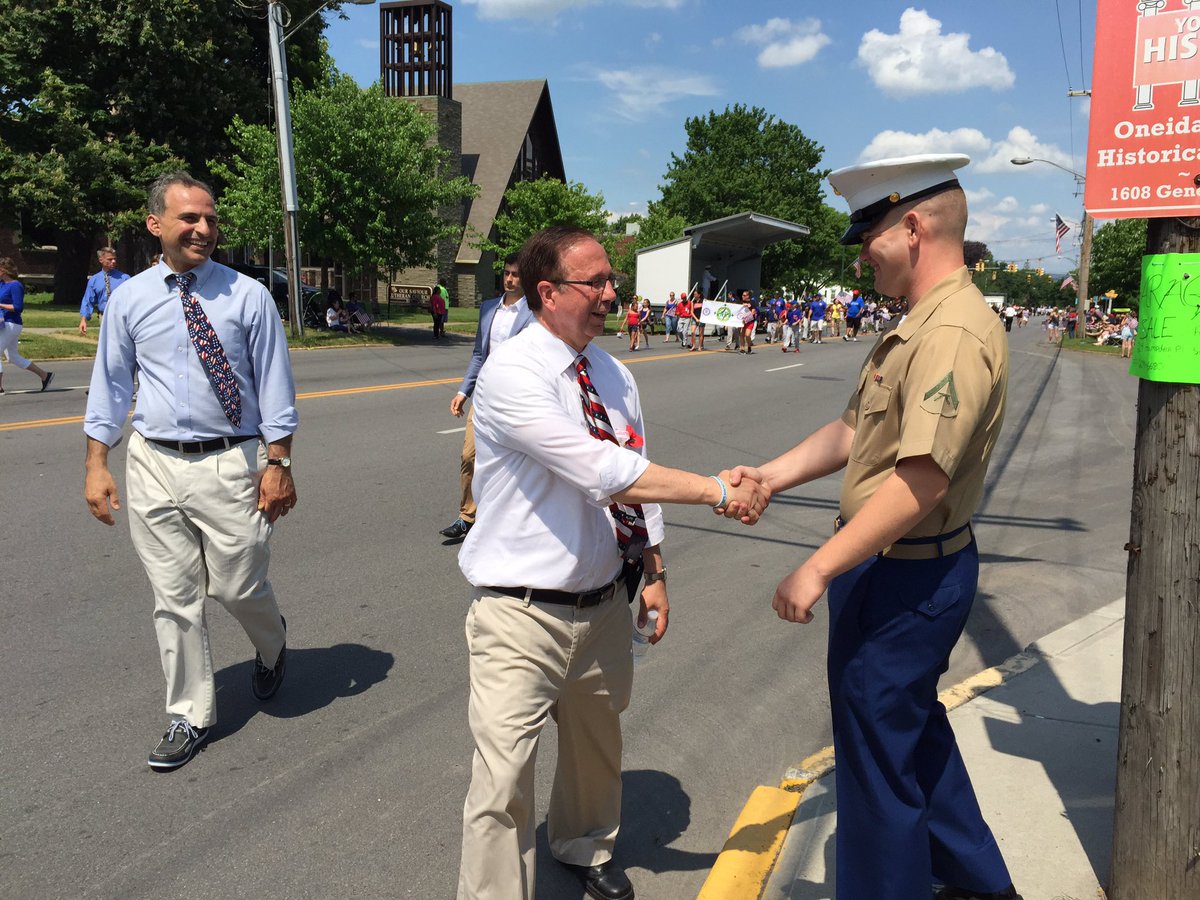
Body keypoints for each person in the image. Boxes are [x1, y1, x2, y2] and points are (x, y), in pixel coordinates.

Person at [728, 155, 1021, 900]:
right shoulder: (922, 324)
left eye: (870, 236)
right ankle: (976, 882)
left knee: (874, 764)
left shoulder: (950, 332)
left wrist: (818, 566)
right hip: (896, 568)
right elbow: (856, 430)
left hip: (904, 573)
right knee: (908, 733)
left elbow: (921, 481)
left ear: (913, 227)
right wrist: (770, 476)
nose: (862, 254)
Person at [455, 226, 767, 900]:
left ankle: (583, 845)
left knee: (596, 747)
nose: (610, 293)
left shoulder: (614, 374)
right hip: (520, 615)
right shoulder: (513, 372)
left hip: (602, 604)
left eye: (610, 280)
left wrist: (654, 572)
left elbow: (635, 478)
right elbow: (603, 469)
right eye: (594, 282)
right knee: (501, 783)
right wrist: (717, 490)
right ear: (548, 293)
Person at [83, 171, 297, 772]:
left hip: (230, 459)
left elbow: (275, 386)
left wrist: (278, 462)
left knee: (236, 585)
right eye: (189, 218)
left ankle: (272, 642)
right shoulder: (130, 299)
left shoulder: (247, 296)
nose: (204, 229)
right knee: (173, 596)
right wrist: (97, 462)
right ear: (156, 224)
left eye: (210, 219)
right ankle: (190, 714)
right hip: (152, 459)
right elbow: (111, 384)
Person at [440, 253, 532, 540]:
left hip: (515, 399)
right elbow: (479, 354)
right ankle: (467, 516)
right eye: (506, 273)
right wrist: (463, 391)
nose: (509, 279)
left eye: (515, 274)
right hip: (484, 395)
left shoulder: (535, 313)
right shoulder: (489, 308)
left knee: (512, 462)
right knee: (469, 455)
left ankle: (505, 517)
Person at [0, 257, 54, 393]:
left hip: (11, 324)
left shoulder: (15, 285)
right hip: (4, 323)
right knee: (12, 357)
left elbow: (18, 307)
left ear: (3, 270)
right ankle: (45, 375)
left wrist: (0, 305)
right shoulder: (2, 284)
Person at [79, 247, 130, 335]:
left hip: (122, 317)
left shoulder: (124, 278)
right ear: (101, 260)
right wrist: (83, 320)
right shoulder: (94, 280)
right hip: (103, 317)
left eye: (114, 259)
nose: (113, 261)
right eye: (109, 259)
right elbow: (88, 300)